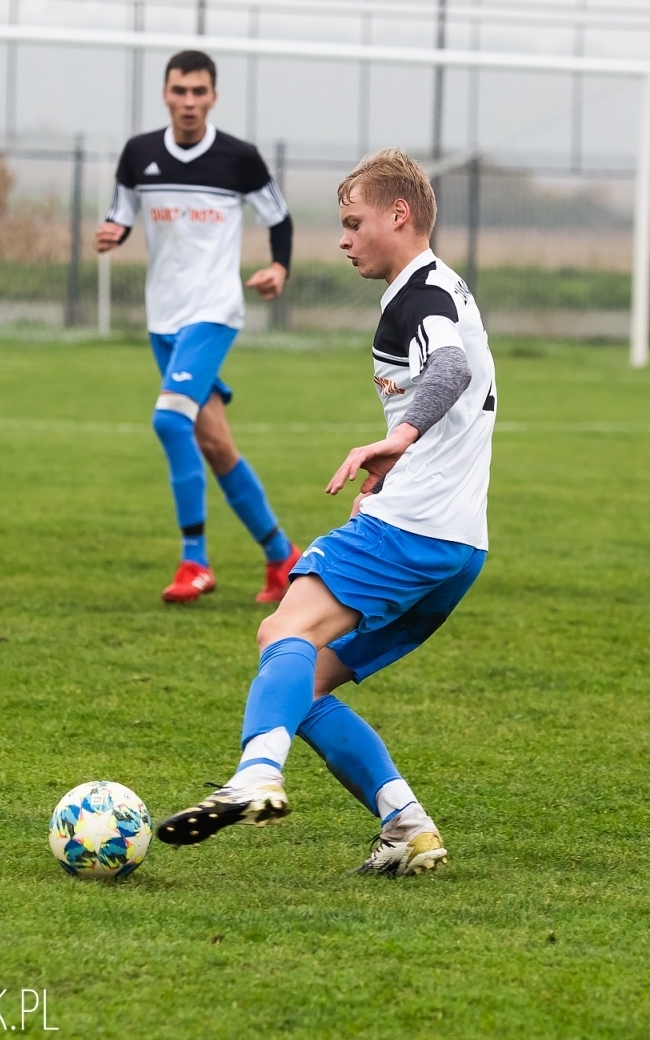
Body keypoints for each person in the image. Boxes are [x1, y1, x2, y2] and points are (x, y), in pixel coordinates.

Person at [157, 149, 497, 877]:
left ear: (398, 216)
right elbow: (458, 391)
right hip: (460, 549)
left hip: (410, 531)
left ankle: (255, 773)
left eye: (353, 223)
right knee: (299, 683)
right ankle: (406, 824)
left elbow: (452, 369)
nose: (343, 240)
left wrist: (398, 436)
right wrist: (403, 455)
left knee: (282, 629)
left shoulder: (420, 294)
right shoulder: (444, 290)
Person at [96, 50, 299, 605]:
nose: (188, 102)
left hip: (213, 310)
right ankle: (283, 558)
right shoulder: (139, 154)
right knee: (214, 442)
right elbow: (122, 210)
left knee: (169, 422)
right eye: (179, 91)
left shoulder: (240, 159)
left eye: (199, 92)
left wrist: (279, 267)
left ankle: (195, 561)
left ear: (213, 96)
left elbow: (278, 216)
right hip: (162, 317)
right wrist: (114, 232)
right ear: (165, 94)